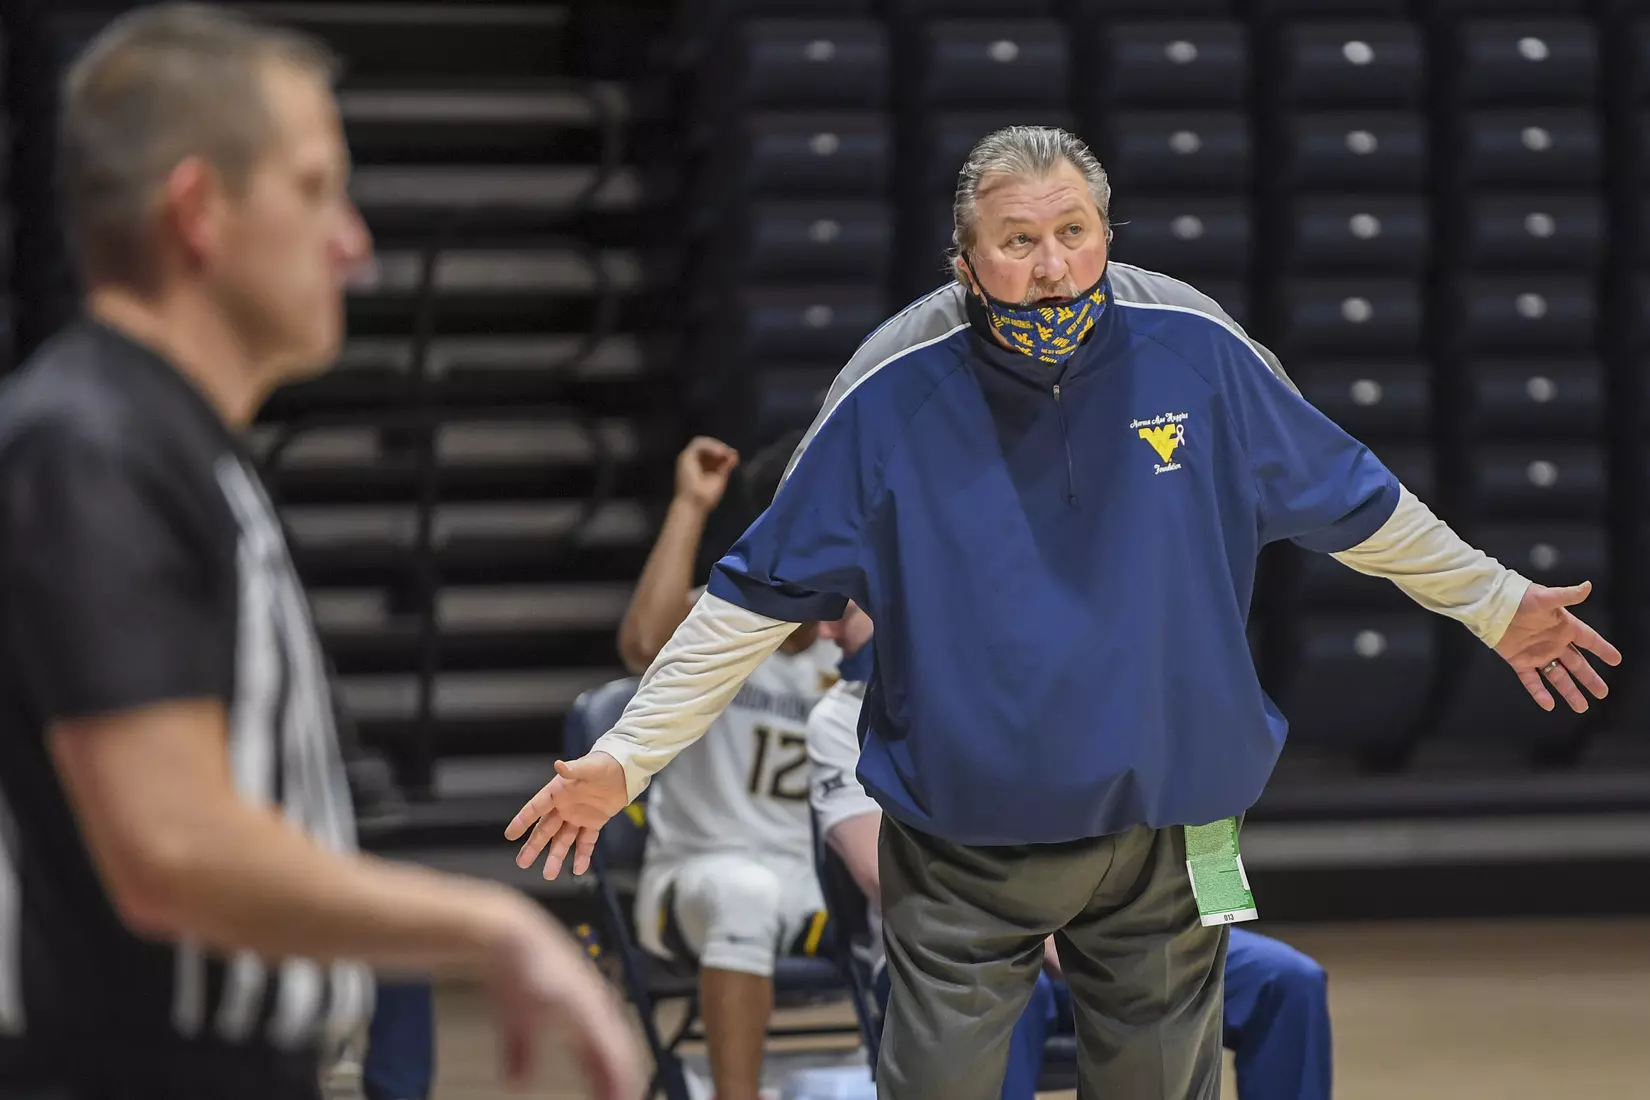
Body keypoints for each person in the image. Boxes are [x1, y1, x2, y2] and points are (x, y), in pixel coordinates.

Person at [507, 125, 1619, 1099]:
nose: (1051, 267)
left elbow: (1359, 505)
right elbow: (747, 599)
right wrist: (624, 759)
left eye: (1074, 232)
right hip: (965, 842)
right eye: (1017, 241)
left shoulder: (1199, 346)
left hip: (1165, 819)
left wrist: (1495, 602)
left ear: (1107, 231)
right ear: (964, 259)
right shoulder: (889, 385)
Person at [0, 7, 641, 1100]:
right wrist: (492, 925)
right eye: (313, 189)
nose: (353, 240)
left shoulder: (173, 441)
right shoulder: (92, 442)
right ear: (199, 209)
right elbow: (173, 847)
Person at [806, 604, 1333, 1100]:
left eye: (844, 613)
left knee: (1287, 980)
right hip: (975, 940)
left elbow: (1209, 806)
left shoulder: (1130, 680)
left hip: (1128, 918)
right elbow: (880, 872)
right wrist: (1045, 931)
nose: (827, 630)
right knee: (1007, 992)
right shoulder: (844, 716)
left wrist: (1211, 915)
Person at [614, 432, 856, 1100]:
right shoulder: (721, 619)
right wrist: (691, 504)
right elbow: (639, 643)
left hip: (813, 883)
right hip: (699, 872)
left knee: (933, 896)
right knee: (743, 894)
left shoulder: (855, 638)